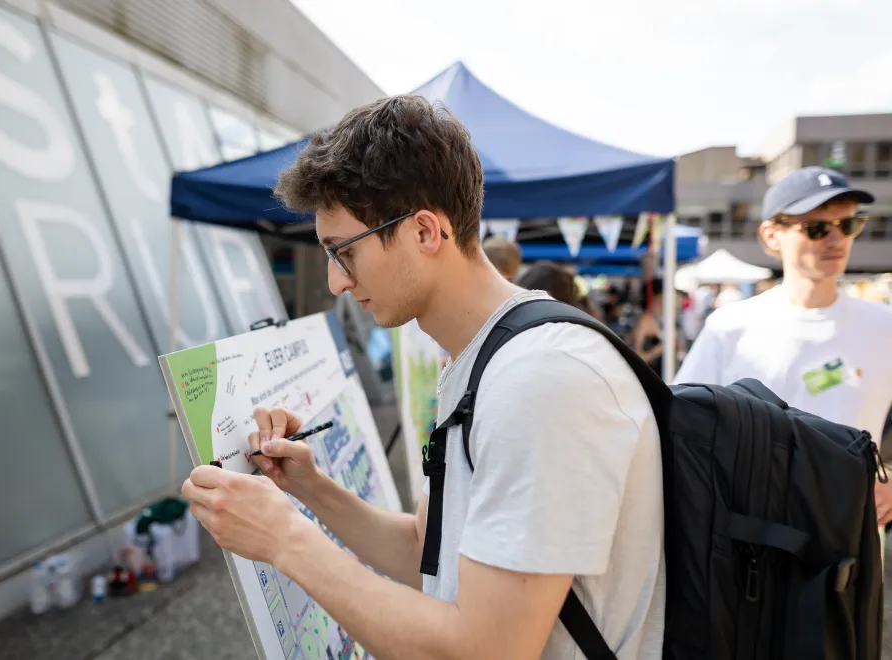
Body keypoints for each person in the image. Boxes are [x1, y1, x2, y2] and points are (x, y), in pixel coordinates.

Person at [181, 95, 665, 658]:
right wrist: (308, 488)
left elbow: (488, 650)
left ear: (425, 232)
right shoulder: (484, 358)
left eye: (344, 253)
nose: (337, 282)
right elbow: (425, 552)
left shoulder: (539, 379)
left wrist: (287, 540)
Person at [674, 165, 892, 526]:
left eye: (849, 224)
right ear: (772, 235)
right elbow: (681, 426)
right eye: (817, 228)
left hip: (849, 541)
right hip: (751, 539)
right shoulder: (731, 326)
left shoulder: (883, 325)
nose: (837, 240)